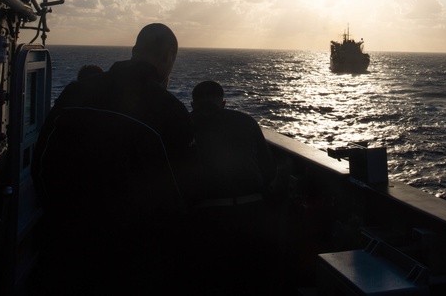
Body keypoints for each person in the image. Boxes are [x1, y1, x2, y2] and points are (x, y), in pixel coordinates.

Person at [31, 23, 195, 295]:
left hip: (67, 246)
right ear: (168, 56)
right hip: (132, 261)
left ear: (133, 51)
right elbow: (183, 192)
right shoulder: (171, 112)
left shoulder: (75, 92)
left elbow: (41, 164)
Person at [188, 80, 277, 294]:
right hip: (252, 214)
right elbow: (269, 170)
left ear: (193, 104)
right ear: (224, 103)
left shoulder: (184, 124)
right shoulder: (246, 121)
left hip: (207, 219)